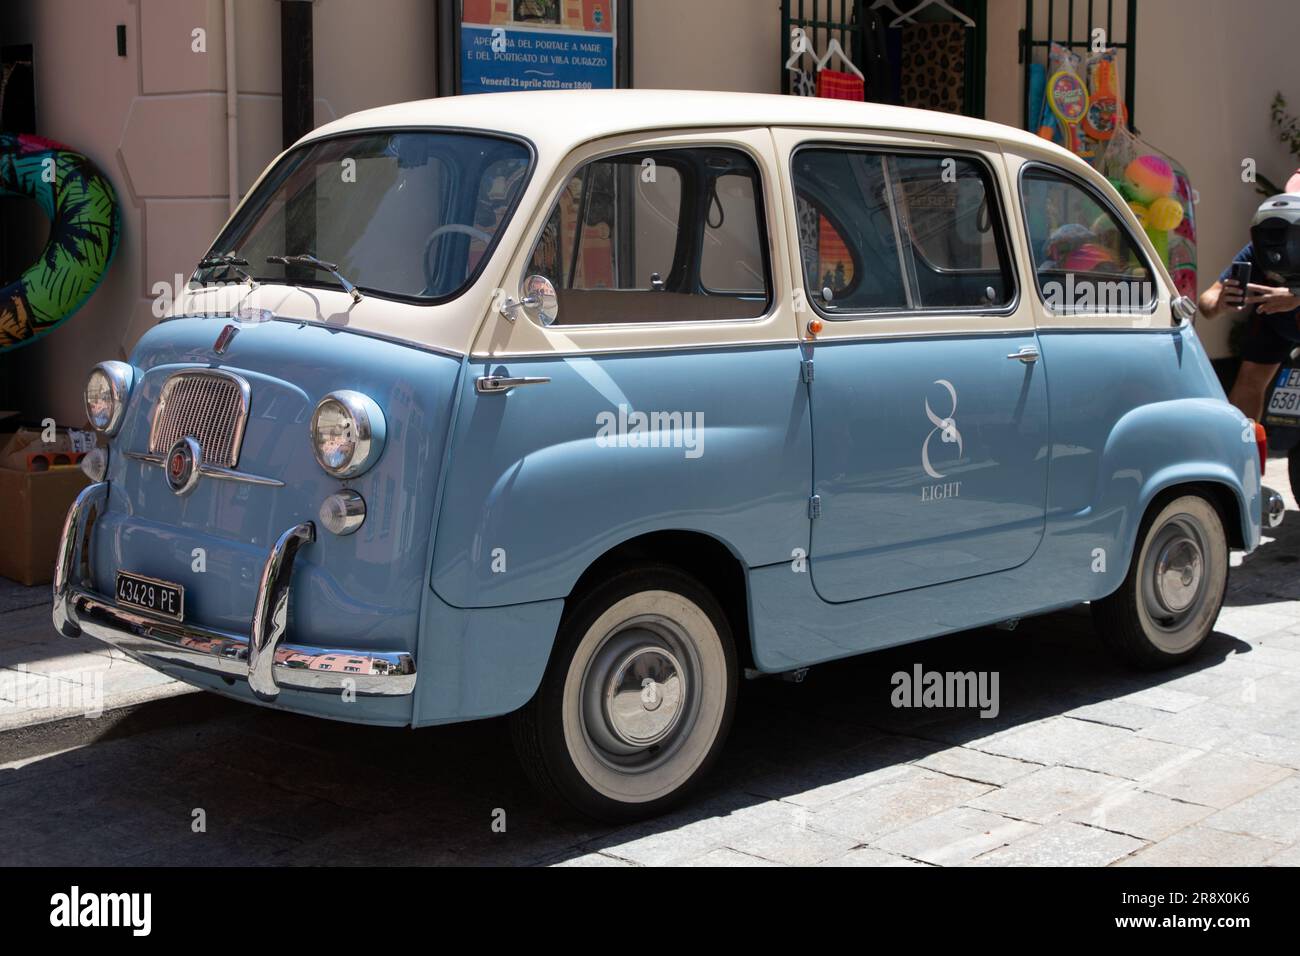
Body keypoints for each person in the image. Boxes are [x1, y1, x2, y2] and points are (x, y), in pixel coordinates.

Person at [1198, 170, 1300, 422]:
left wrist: (1296, 295)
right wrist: (1221, 303)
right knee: (1250, 380)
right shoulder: (1261, 248)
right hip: (1275, 320)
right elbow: (1207, 302)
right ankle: (1242, 452)